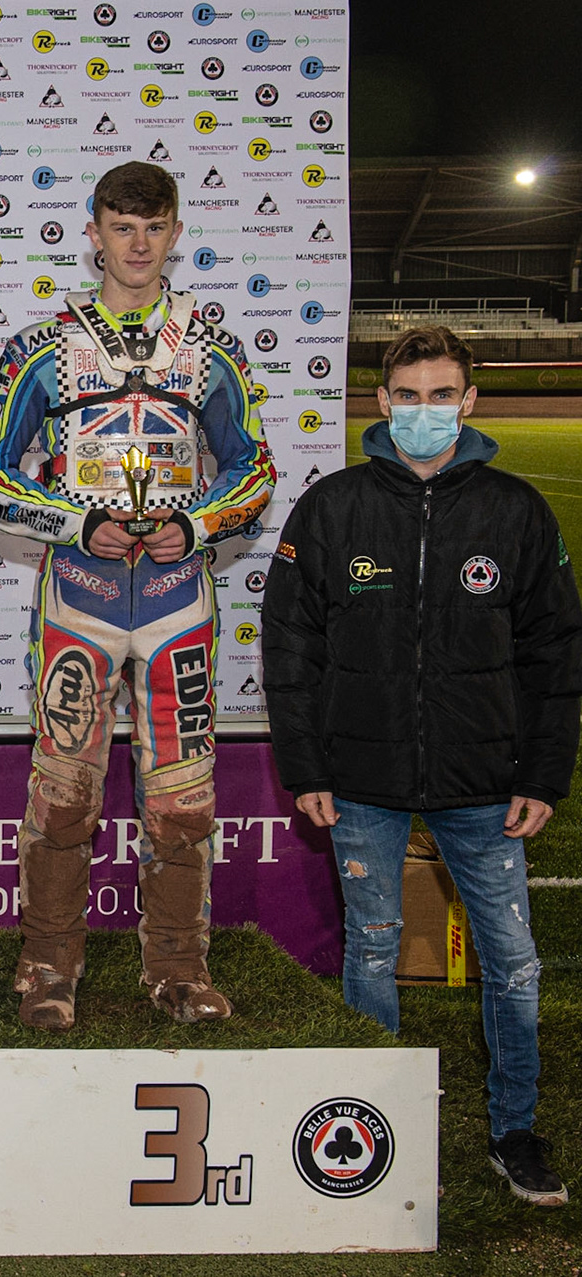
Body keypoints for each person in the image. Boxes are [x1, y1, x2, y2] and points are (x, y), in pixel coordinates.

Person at [262, 325, 579, 1207]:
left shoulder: (516, 510)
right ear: (382, 402)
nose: (426, 412)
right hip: (362, 781)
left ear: (469, 403)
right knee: (370, 948)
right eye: (410, 395)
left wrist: (543, 775)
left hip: (487, 786)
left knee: (513, 960)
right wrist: (306, 766)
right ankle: (369, 1123)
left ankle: (514, 1131)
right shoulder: (333, 507)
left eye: (444, 396)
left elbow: (555, 653)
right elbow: (290, 647)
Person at [0, 160, 275, 1030]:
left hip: (177, 602)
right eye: (120, 226)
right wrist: (71, 523)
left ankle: (178, 965)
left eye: (154, 227)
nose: (137, 243)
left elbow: (255, 468)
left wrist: (201, 526)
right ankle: (47, 965)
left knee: (184, 798)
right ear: (92, 234)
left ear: (176, 235)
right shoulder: (39, 348)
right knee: (63, 791)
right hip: (80, 600)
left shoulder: (212, 352)